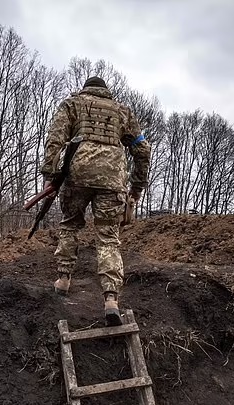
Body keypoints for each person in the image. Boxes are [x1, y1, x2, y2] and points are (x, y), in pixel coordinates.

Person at [40, 75, 151, 326]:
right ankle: (111, 299)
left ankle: (64, 280)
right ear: (106, 91)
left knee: (70, 224)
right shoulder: (123, 112)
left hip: (77, 176)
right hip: (112, 180)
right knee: (108, 237)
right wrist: (137, 186)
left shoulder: (71, 105)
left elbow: (55, 140)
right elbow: (142, 150)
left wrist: (50, 174)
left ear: (85, 89)